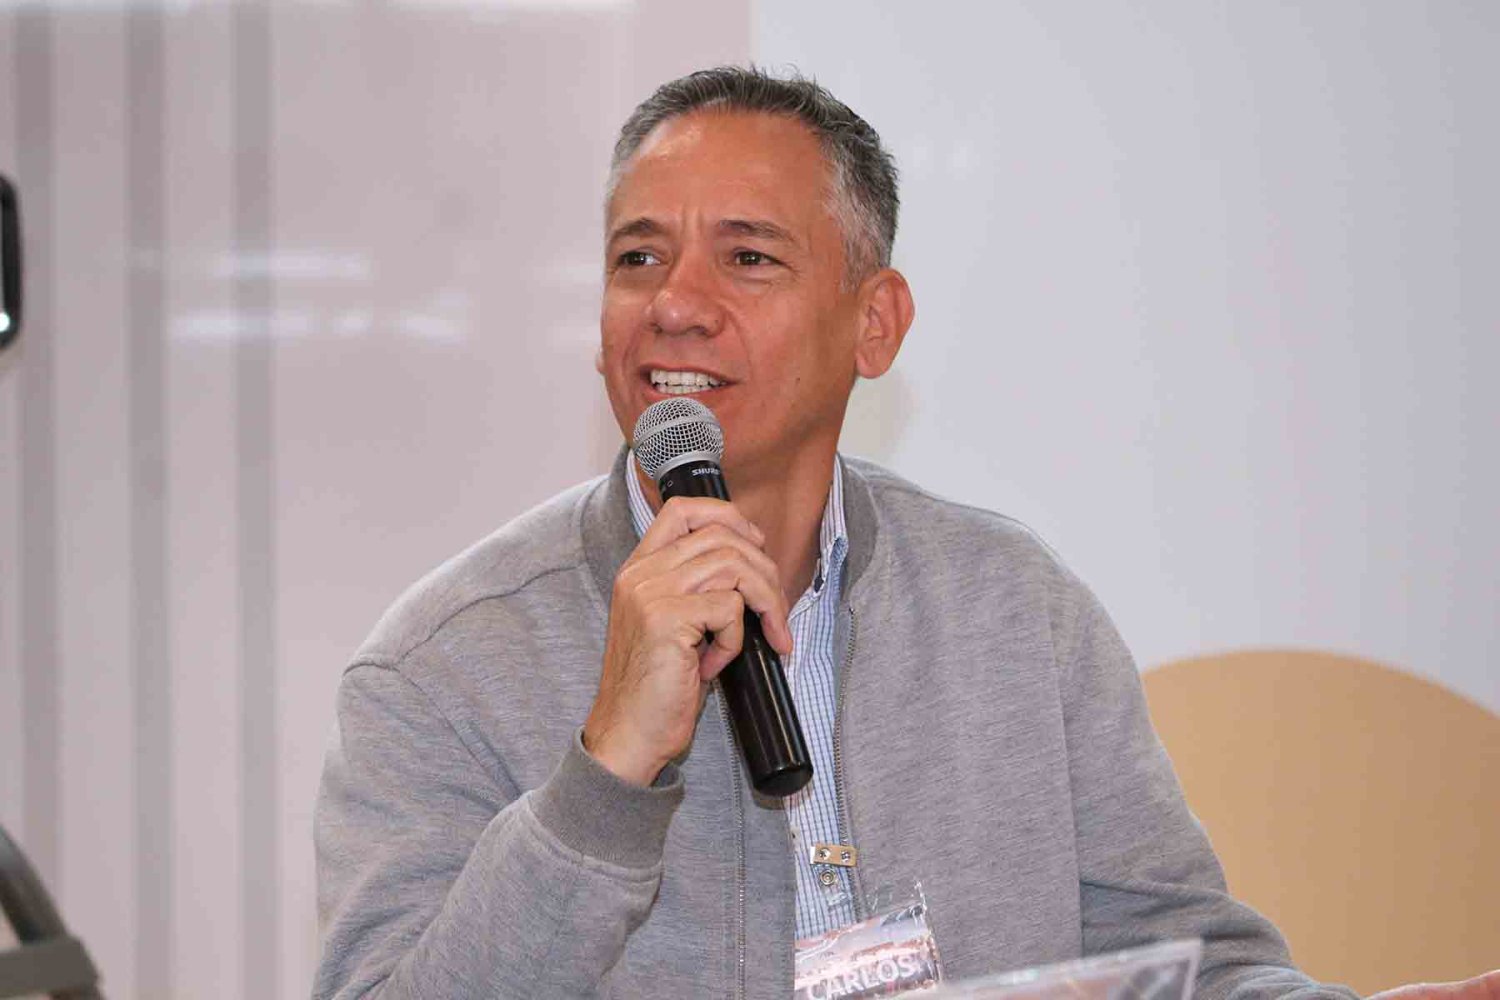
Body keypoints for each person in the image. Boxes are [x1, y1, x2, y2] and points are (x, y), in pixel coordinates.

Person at [314, 67, 1498, 999]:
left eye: (747, 256)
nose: (674, 302)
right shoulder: (440, 668)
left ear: (874, 324)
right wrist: (608, 769)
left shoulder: (1013, 608)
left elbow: (1176, 961)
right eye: (639, 258)